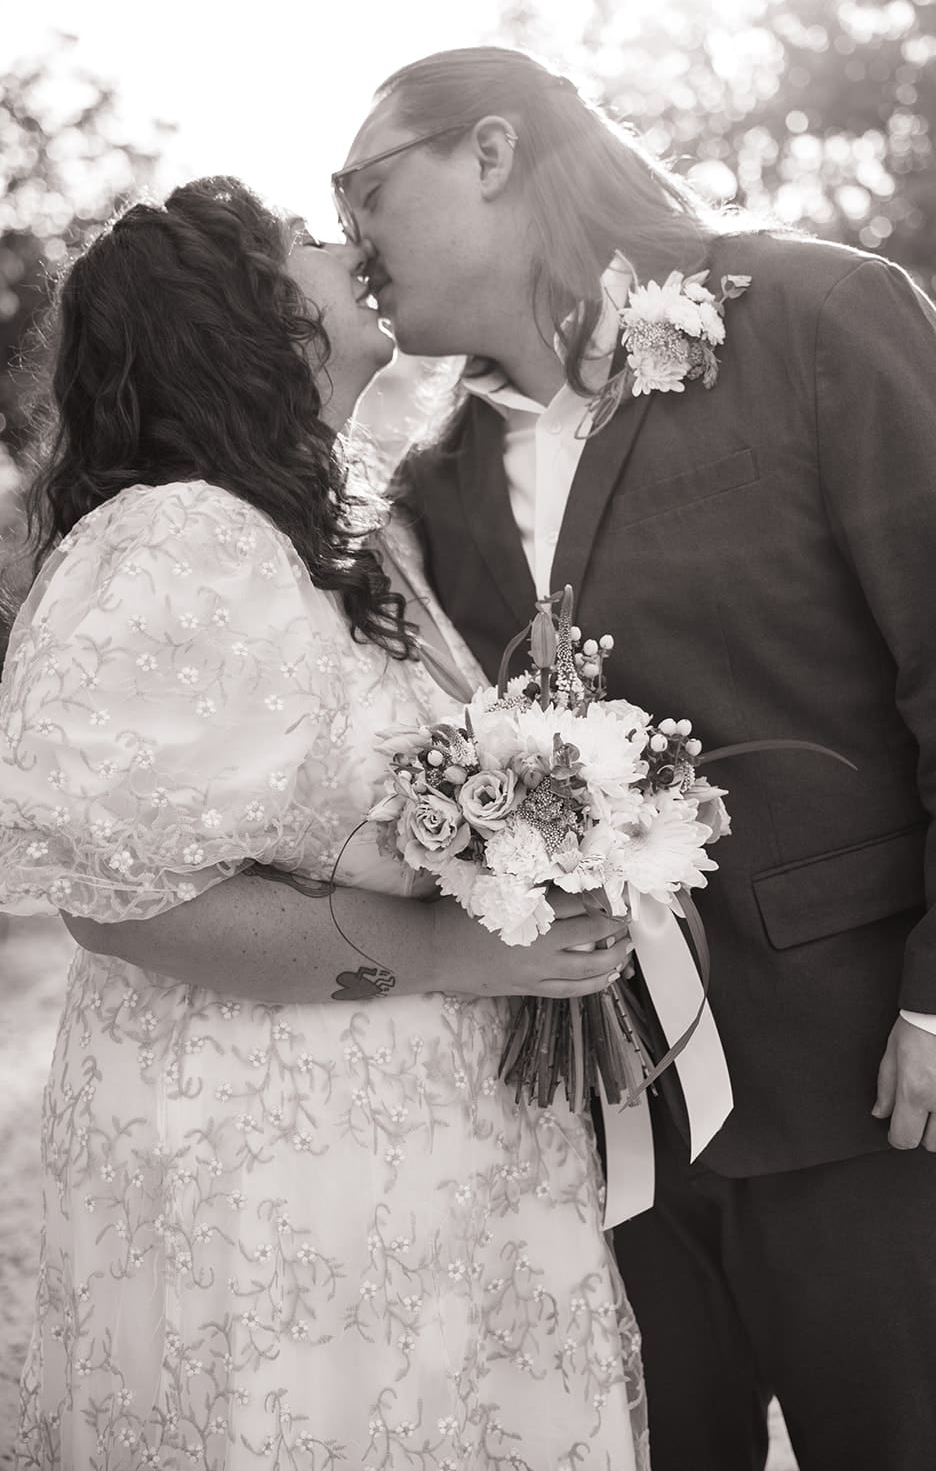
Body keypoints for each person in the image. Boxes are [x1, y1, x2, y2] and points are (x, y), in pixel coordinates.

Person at [330, 46, 936, 1471]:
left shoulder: (820, 316)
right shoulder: (436, 482)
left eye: (360, 187)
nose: (349, 234)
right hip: (597, 1120)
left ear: (491, 151)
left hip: (869, 1084)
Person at [0, 176, 647, 1471]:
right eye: (294, 232)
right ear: (232, 310)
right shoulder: (178, 539)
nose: (337, 240)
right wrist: (456, 950)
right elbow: (119, 902)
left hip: (426, 1127)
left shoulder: (345, 538)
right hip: (275, 1152)